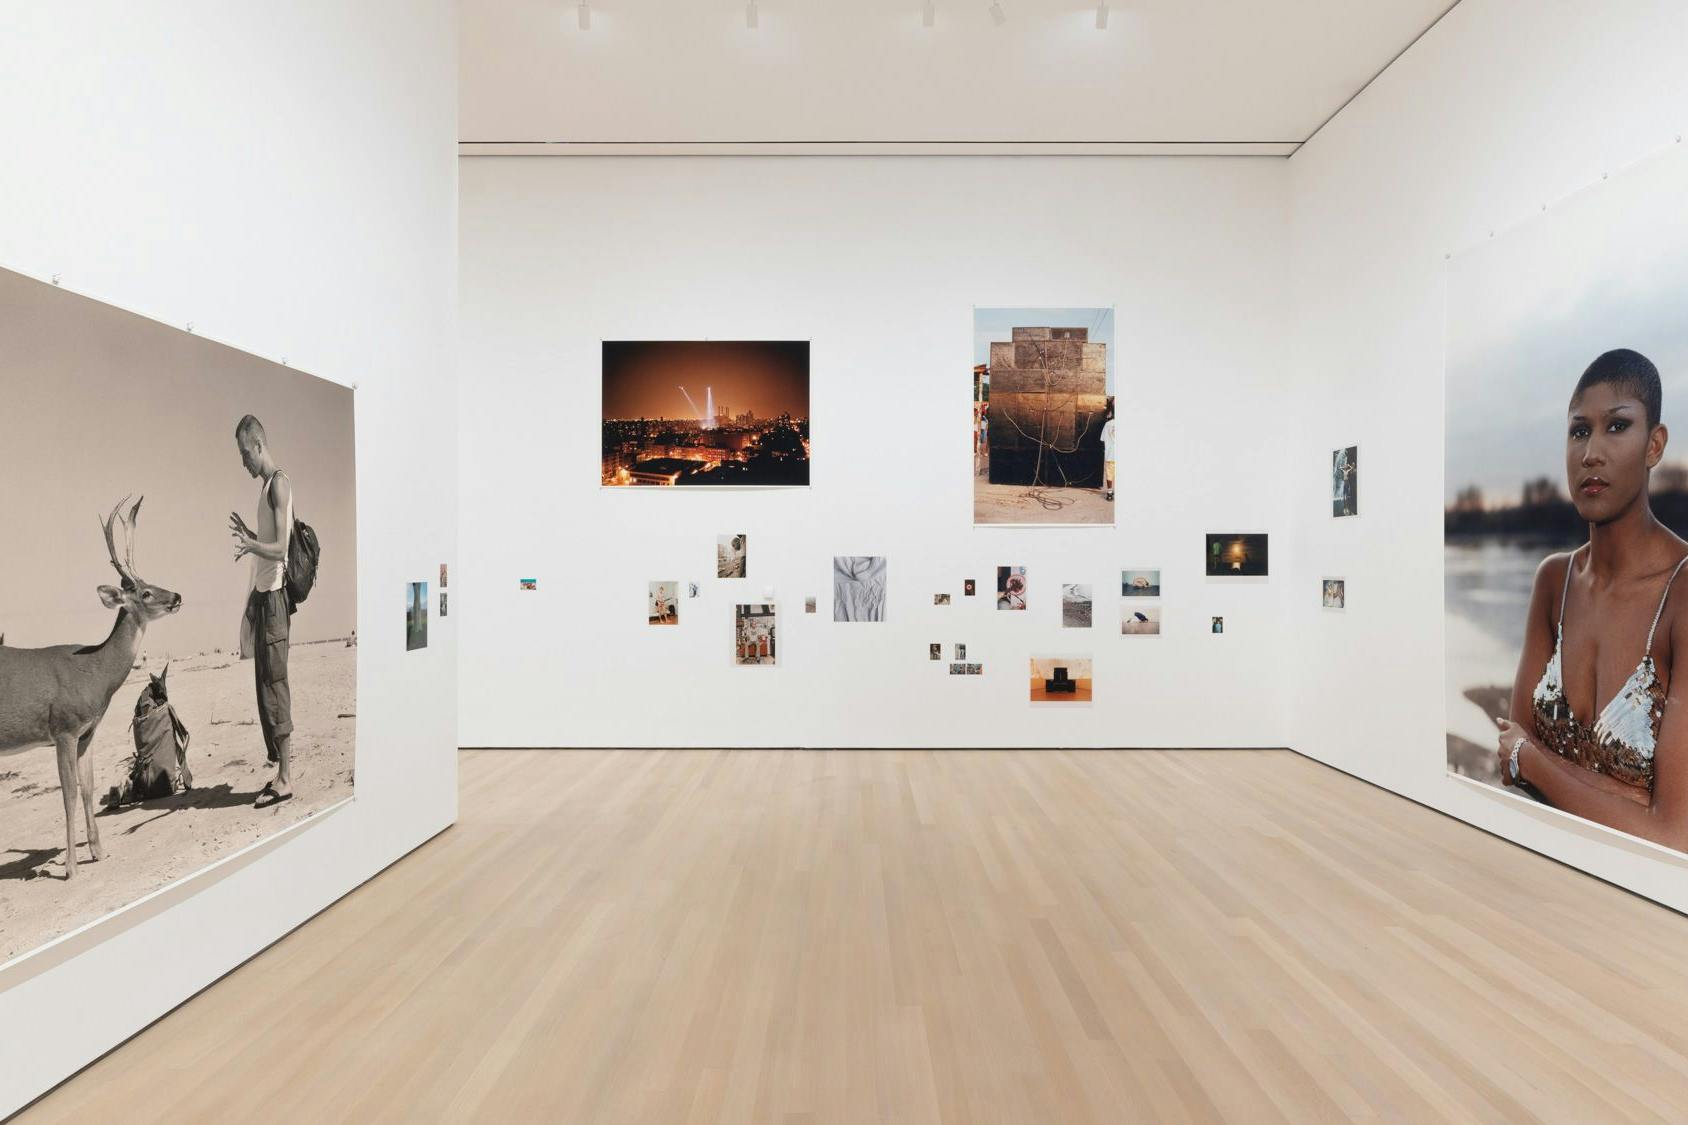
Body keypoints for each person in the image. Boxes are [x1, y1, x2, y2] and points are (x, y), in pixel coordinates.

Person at [1496, 350, 1688, 851]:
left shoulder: (1682, 594)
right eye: (1579, 431)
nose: (1591, 454)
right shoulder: (1553, 583)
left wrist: (1534, 760)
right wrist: (1628, 800)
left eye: (1617, 427)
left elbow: (1674, 835)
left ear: (1655, 445)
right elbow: (1507, 772)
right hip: (1537, 871)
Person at [230, 414, 295, 807]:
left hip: (274, 598)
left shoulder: (280, 486)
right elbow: (270, 540)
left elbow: (283, 549)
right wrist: (251, 536)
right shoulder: (265, 489)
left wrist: (252, 547)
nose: (242, 462)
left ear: (258, 445)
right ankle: (281, 771)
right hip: (263, 597)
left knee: (276, 683)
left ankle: (286, 779)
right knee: (264, 686)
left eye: (244, 453)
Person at [1101, 397, 1116, 502]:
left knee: (1109, 474)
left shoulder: (1108, 424)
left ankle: (1110, 492)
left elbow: (1102, 439)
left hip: (1111, 454)